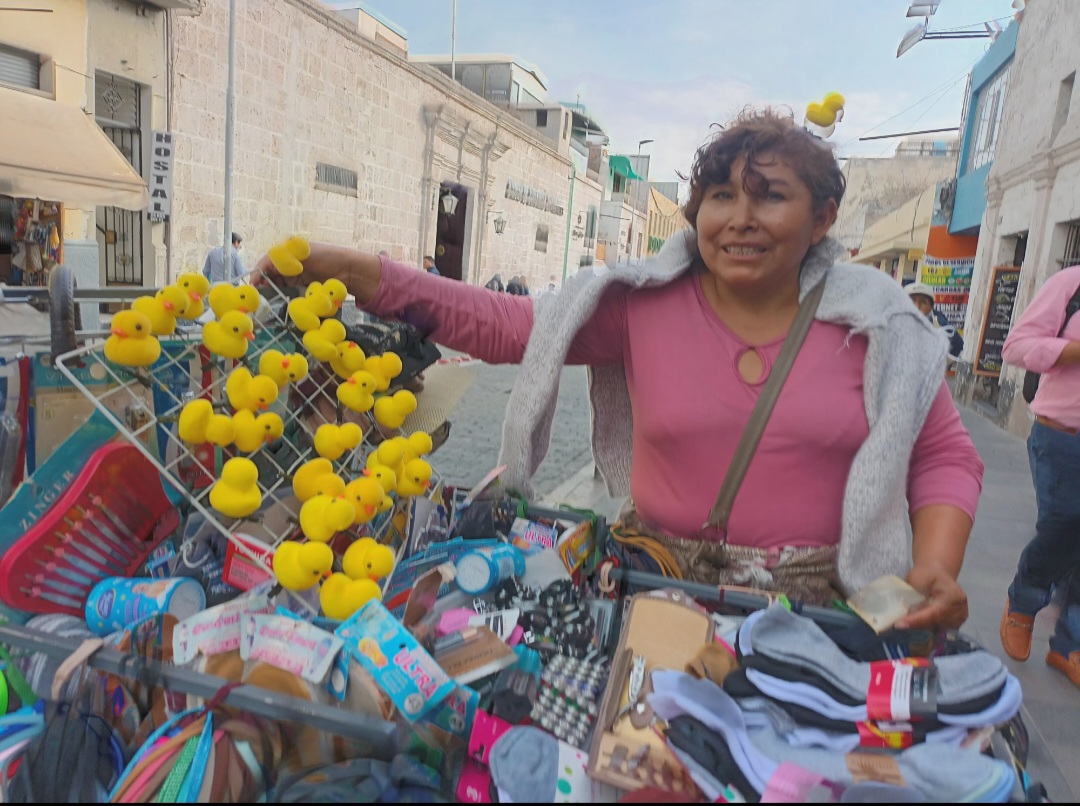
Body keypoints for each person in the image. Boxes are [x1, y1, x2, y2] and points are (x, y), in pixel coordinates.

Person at [256, 108, 983, 629]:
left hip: (823, 616)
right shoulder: (640, 305)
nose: (740, 218)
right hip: (654, 594)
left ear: (823, 218)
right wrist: (362, 271)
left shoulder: (881, 325)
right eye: (721, 196)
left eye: (772, 196)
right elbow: (511, 327)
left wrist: (937, 566)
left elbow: (944, 453)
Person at [999, 264, 1080, 687]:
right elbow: (1015, 347)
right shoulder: (1072, 285)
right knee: (1066, 522)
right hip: (1063, 437)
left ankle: (1070, 646)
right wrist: (1073, 351)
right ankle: (1025, 599)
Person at [906, 282, 964, 359]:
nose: (917, 306)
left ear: (931, 306)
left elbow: (958, 346)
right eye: (912, 301)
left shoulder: (939, 325)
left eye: (923, 302)